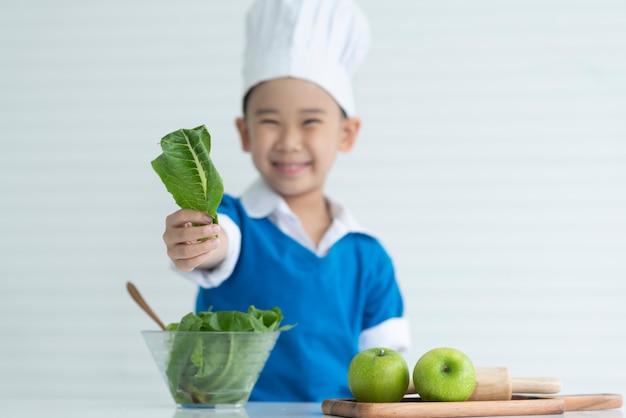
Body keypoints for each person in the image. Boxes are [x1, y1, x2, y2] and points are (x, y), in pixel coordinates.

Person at [162, 0, 411, 402]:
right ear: (244, 133)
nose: (289, 142)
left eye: (310, 121)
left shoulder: (369, 257)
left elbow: (389, 372)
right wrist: (200, 240)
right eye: (270, 121)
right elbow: (219, 242)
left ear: (346, 133)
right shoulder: (233, 220)